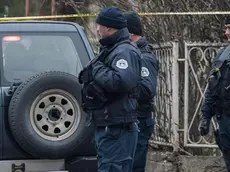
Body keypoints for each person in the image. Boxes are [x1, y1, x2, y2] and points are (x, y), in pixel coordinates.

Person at [78, 6, 142, 172]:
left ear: (109, 27)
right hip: (110, 126)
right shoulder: (111, 49)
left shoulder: (124, 51)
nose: (97, 29)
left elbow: (121, 82)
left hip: (117, 128)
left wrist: (97, 68)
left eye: (98, 25)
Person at [123, 11, 158, 172]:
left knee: (134, 166)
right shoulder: (131, 54)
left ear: (129, 33)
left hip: (140, 120)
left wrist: (122, 84)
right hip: (131, 119)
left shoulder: (143, 57)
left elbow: (147, 89)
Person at [199, 16, 230, 172]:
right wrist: (205, 116)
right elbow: (213, 88)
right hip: (225, 118)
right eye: (227, 28)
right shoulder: (222, 54)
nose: (226, 32)